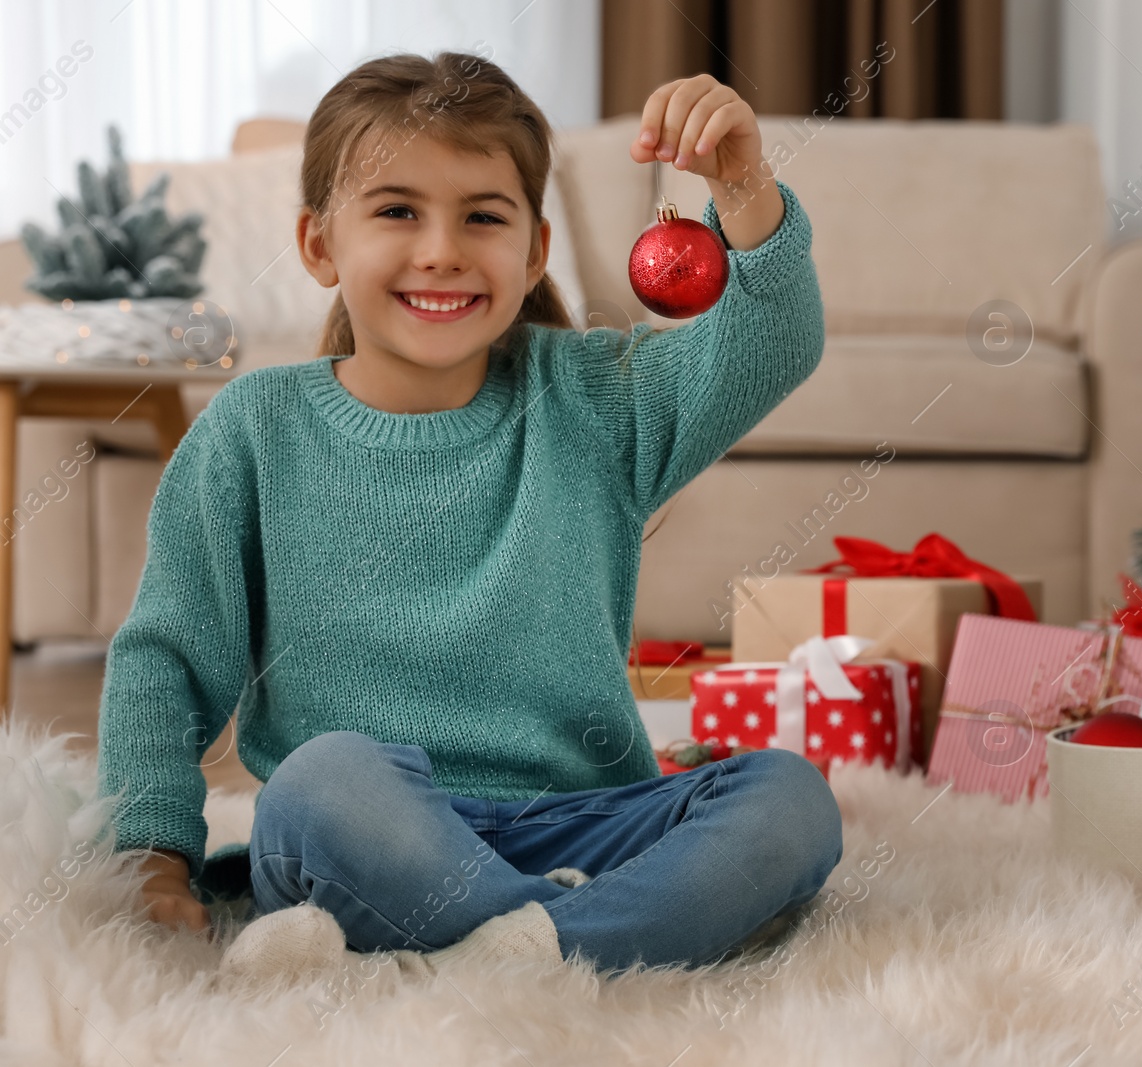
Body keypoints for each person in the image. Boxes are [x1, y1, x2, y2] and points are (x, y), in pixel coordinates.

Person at [94, 50, 837, 985]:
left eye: (483, 217)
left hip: (586, 824)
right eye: (397, 210)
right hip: (367, 834)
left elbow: (776, 341)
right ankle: (597, 941)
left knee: (790, 796)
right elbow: (164, 662)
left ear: (532, 253)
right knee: (320, 782)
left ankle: (519, 949)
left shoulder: (597, 398)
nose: (442, 248)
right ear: (320, 244)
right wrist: (154, 852)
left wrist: (744, 187)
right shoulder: (254, 427)